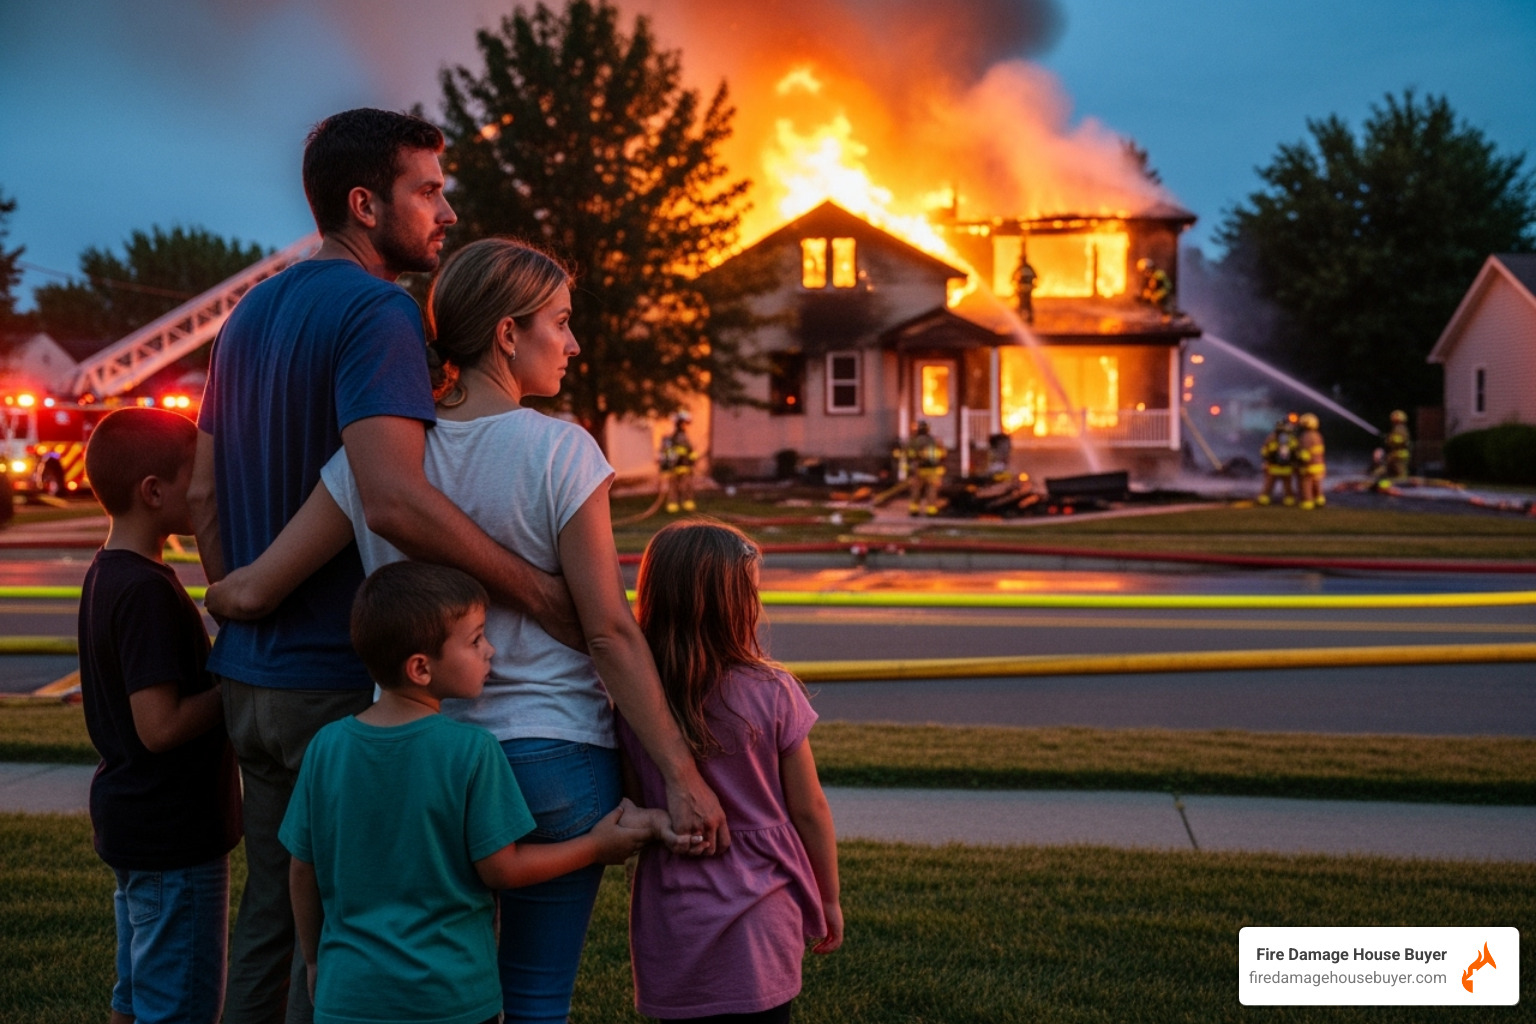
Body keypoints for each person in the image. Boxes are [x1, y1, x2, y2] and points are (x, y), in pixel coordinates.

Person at [207, 237, 728, 1023]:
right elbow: (611, 634)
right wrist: (683, 777)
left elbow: (256, 587)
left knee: (438, 987)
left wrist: (198, 587)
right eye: (560, 322)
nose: (574, 342)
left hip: (424, 767)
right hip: (555, 758)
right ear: (508, 334)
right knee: (535, 999)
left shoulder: (376, 463)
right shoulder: (560, 449)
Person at [189, 108, 583, 1024]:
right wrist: (535, 592)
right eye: (429, 191)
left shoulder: (250, 311)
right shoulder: (379, 311)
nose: (446, 214)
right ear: (366, 204)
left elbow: (205, 491)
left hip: (247, 682)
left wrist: (244, 606)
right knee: (360, 931)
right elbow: (392, 495)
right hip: (339, 673)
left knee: (271, 919)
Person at [280, 561, 655, 1024]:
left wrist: (315, 961)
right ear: (421, 668)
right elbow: (502, 868)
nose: (490, 650)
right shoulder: (471, 752)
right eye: (475, 640)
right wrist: (597, 846)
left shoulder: (327, 747)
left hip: (348, 998)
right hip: (451, 1000)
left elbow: (302, 867)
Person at [617, 520, 843, 1022]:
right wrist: (828, 898)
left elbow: (637, 805)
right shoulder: (773, 692)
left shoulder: (632, 706)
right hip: (763, 914)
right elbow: (810, 810)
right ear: (735, 606)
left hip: (673, 915)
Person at [78, 408, 242, 1024]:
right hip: (174, 837)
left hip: (136, 824)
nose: (207, 490)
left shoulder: (106, 574)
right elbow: (160, 725)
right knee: (181, 1006)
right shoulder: (146, 590)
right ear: (153, 492)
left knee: (137, 993)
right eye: (194, 479)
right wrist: (238, 684)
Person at [904, 420, 946, 516]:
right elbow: (943, 454)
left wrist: (909, 470)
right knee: (931, 490)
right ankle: (931, 510)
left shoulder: (913, 441)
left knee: (916, 490)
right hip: (933, 470)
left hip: (918, 470)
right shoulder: (935, 440)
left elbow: (908, 455)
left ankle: (914, 510)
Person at [658, 411, 697, 513]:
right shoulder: (671, 438)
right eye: (683, 423)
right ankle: (673, 505)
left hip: (685, 466)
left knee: (686, 486)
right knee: (673, 487)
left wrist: (692, 460)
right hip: (674, 466)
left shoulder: (686, 437)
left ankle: (687, 503)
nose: (685, 426)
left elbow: (691, 451)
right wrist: (665, 466)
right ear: (678, 423)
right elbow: (666, 451)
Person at [1256, 418, 1296, 506]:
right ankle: (1289, 500)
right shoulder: (1291, 438)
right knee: (1287, 485)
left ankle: (1264, 498)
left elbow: (1264, 451)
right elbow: (1295, 450)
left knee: (1269, 484)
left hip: (1274, 467)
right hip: (1286, 467)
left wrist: (1266, 459)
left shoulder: (1272, 437)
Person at [1295, 412, 1327, 510]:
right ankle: (1319, 500)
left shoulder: (1306, 436)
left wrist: (1299, 461)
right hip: (1319, 465)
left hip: (1309, 466)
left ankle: (1308, 502)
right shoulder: (1318, 435)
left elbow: (1304, 454)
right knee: (1317, 484)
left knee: (1306, 484)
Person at [1376, 409, 1412, 490]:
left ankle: (1401, 488)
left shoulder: (1401, 428)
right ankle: (1385, 484)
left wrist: (1389, 439)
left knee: (1400, 474)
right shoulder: (1397, 428)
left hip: (1400, 455)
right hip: (1395, 454)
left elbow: (1400, 440)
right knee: (1387, 472)